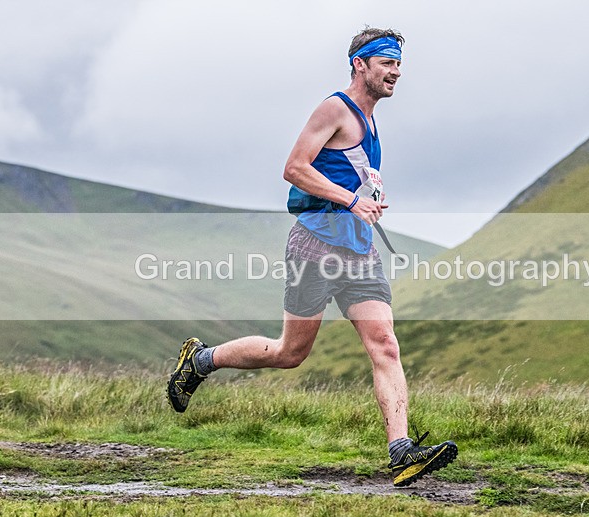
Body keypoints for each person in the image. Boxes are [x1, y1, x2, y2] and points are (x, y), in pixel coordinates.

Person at [167, 26, 457, 487]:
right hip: (315, 248)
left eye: (399, 64)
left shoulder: (371, 118)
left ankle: (402, 452)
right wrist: (349, 200)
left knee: (385, 343)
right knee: (290, 353)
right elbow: (294, 168)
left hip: (359, 251)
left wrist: (369, 197)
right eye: (387, 63)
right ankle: (202, 361)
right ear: (360, 64)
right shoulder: (335, 108)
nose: (396, 72)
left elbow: (346, 173)